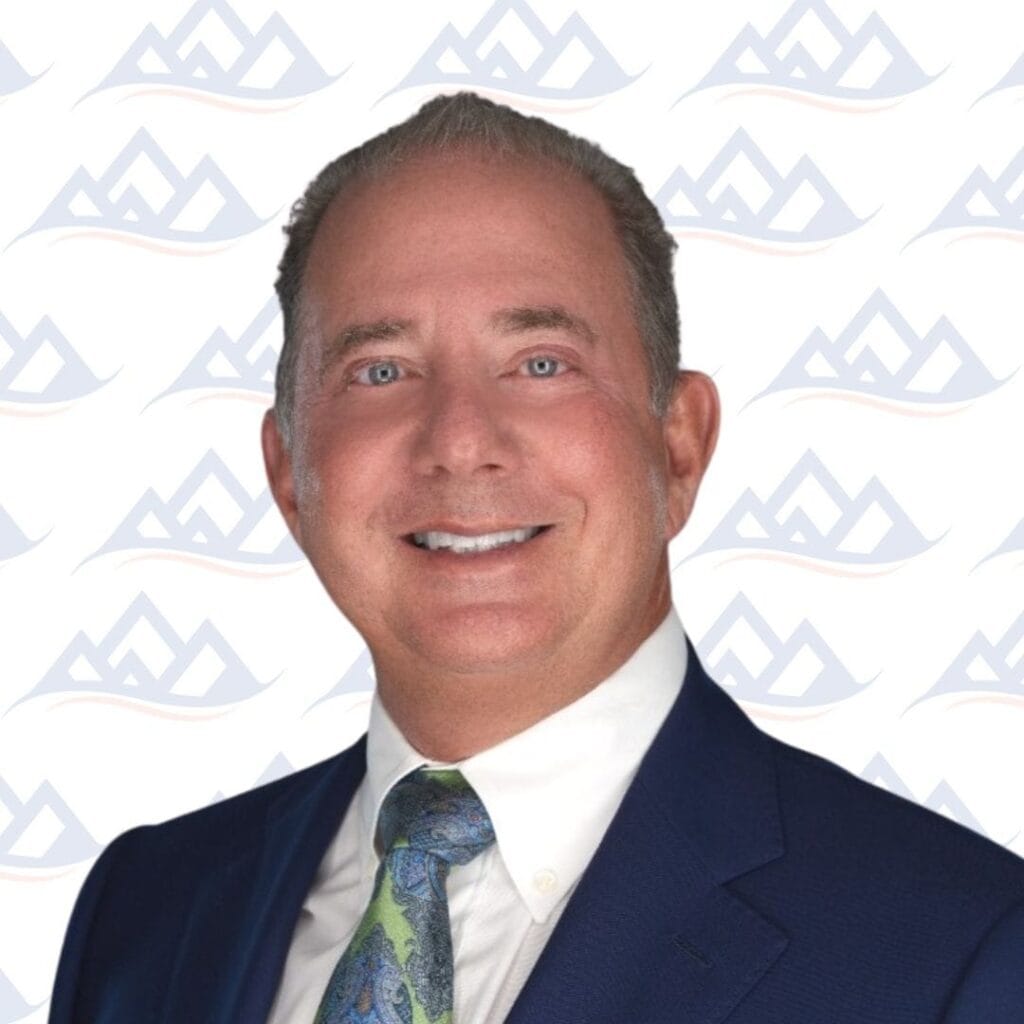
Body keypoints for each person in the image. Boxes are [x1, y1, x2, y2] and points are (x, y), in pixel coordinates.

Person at [49, 92, 1023, 1024]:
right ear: (289, 474)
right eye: (380, 370)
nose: (459, 439)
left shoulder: (965, 952)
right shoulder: (145, 913)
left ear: (678, 446)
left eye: (542, 363)